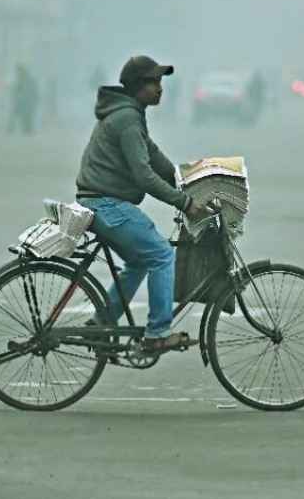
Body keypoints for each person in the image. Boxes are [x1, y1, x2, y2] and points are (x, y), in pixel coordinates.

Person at [75, 55, 206, 353]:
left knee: (138, 262)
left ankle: (102, 323)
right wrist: (184, 202)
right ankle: (157, 334)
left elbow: (154, 156)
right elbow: (144, 175)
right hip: (105, 204)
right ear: (137, 86)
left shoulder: (130, 114)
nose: (160, 88)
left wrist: (187, 180)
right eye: (153, 82)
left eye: (160, 82)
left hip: (98, 202)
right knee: (161, 255)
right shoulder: (127, 120)